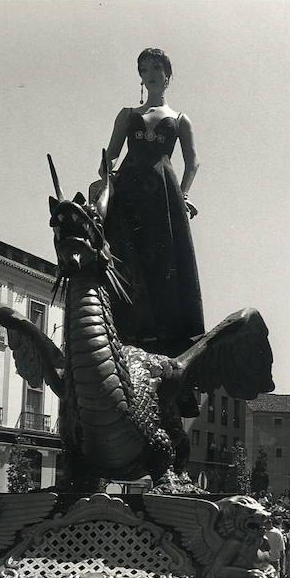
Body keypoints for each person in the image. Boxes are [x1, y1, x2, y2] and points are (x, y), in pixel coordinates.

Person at [98, 47, 205, 351]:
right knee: (124, 252)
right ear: (141, 77)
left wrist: (182, 196)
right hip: (129, 190)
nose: (151, 74)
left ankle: (164, 333)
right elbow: (112, 154)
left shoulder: (180, 119)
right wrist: (107, 172)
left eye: (157, 68)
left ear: (168, 76)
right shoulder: (127, 114)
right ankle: (124, 325)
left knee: (164, 258)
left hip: (163, 193)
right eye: (144, 69)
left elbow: (193, 161)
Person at [265, 514, 286, 578]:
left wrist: (282, 567)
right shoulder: (261, 532)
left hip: (274, 561)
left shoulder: (277, 533)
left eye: (269, 521)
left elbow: (282, 551)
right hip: (263, 561)